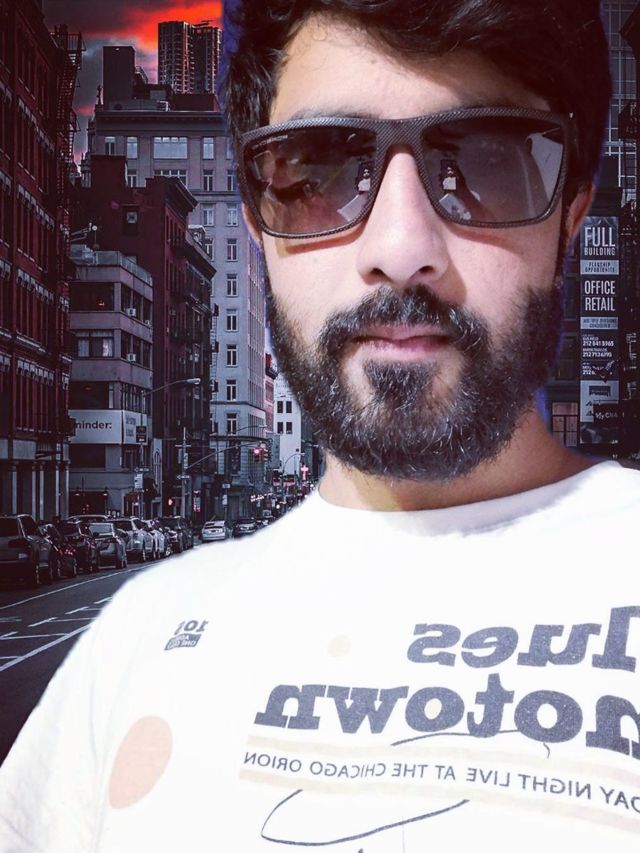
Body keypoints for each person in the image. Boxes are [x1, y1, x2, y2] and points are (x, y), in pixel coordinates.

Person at [1, 1, 638, 850]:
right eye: (317, 172)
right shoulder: (133, 639)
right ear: (257, 223)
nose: (400, 247)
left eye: (489, 160)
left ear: (572, 213)